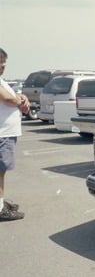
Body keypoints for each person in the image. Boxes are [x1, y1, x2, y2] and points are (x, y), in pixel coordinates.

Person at [0, 48, 30, 221]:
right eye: (0, 61)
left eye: (4, 61)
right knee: (0, 172)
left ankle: (1, 203)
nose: (3, 65)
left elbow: (13, 97)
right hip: (2, 134)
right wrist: (19, 101)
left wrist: (22, 97)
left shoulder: (2, 81)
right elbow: (7, 99)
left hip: (6, 134)